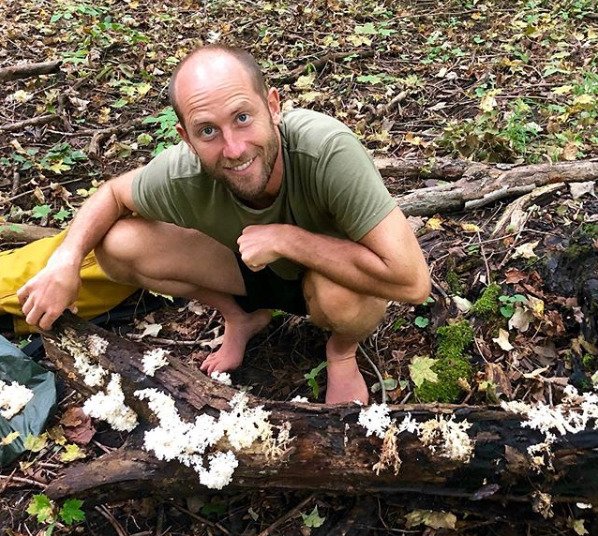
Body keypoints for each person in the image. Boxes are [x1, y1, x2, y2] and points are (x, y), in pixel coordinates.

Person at [17, 45, 430, 405]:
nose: (233, 148)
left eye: (243, 118)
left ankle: (341, 351)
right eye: (208, 131)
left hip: (334, 278)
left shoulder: (326, 151)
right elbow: (112, 194)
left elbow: (413, 283)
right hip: (249, 269)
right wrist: (66, 261)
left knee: (338, 297)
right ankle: (241, 316)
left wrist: (289, 239)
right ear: (186, 137)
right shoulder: (183, 173)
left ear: (272, 105)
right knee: (117, 245)